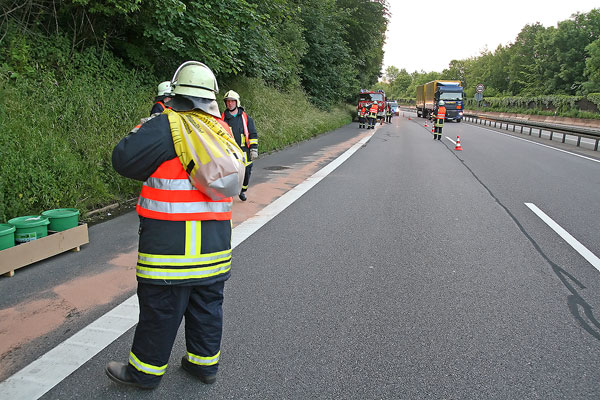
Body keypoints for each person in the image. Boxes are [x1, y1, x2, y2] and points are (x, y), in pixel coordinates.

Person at [107, 61, 234, 390]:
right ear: (211, 98)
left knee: (161, 309)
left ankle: (144, 374)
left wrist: (147, 125)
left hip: (171, 246)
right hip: (214, 246)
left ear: (175, 94)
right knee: (207, 306)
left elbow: (123, 159)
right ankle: (203, 366)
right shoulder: (222, 129)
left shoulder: (166, 125)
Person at [221, 90, 258, 201]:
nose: (230, 103)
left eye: (232, 101)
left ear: (237, 102)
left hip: (244, 150)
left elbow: (252, 134)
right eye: (228, 101)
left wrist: (253, 149)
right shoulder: (222, 119)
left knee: (247, 171)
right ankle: (230, 193)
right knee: (229, 173)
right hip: (229, 151)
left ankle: (242, 190)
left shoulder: (245, 118)